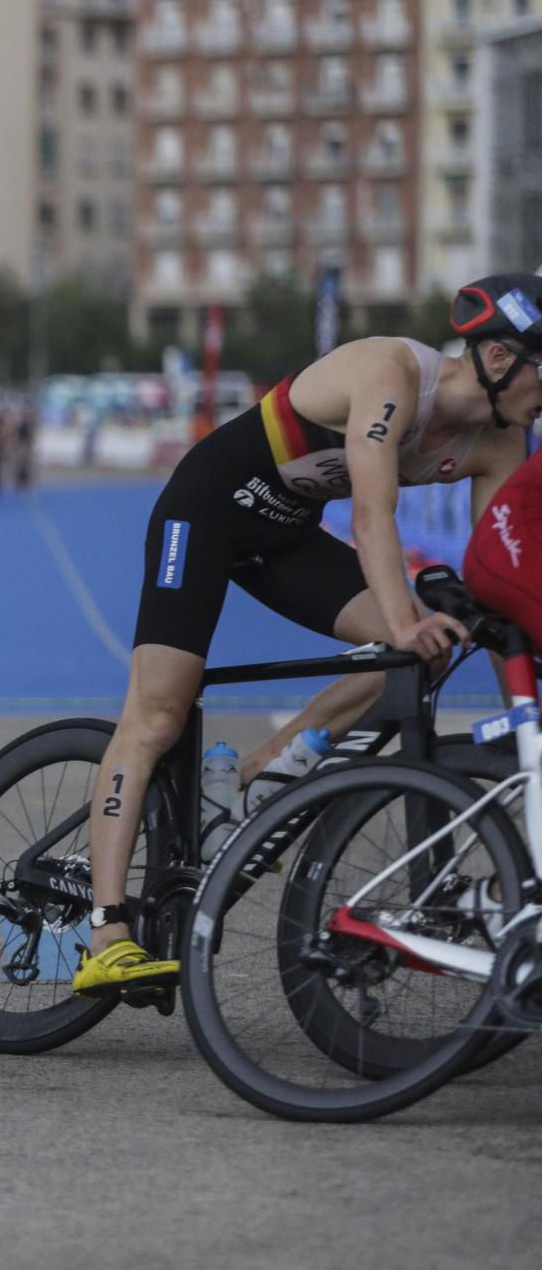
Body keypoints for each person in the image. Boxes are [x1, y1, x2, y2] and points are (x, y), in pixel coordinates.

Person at [75, 274, 540, 1000]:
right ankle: (106, 933)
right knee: (160, 712)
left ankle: (255, 778)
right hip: (207, 509)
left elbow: (498, 564)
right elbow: (371, 517)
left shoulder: (503, 443)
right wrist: (405, 617)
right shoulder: (392, 374)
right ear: (503, 356)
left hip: (285, 533)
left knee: (400, 664)